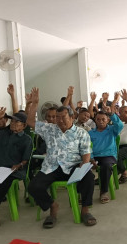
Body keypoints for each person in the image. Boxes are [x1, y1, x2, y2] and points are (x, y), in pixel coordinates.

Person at [27, 88, 97, 228]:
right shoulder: (49, 129)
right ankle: (53, 207)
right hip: (51, 167)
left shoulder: (81, 133)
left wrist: (83, 166)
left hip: (72, 166)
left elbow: (86, 153)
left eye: (62, 117)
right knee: (33, 187)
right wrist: (34, 103)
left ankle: (85, 210)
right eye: (57, 117)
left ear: (72, 117)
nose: (58, 121)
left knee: (89, 178)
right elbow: (30, 122)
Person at [0, 109, 33, 233]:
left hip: (13, 170)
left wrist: (19, 164)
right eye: (12, 121)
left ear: (24, 125)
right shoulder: (2, 134)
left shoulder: (26, 139)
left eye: (16, 122)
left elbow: (25, 159)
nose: (13, 124)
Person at [88, 101, 123, 203]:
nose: (101, 121)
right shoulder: (90, 133)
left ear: (108, 120)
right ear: (95, 120)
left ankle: (103, 192)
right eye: (98, 119)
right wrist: (91, 158)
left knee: (106, 166)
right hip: (94, 156)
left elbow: (119, 124)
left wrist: (111, 114)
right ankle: (83, 193)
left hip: (108, 156)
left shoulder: (112, 130)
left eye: (103, 119)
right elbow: (87, 147)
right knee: (81, 166)